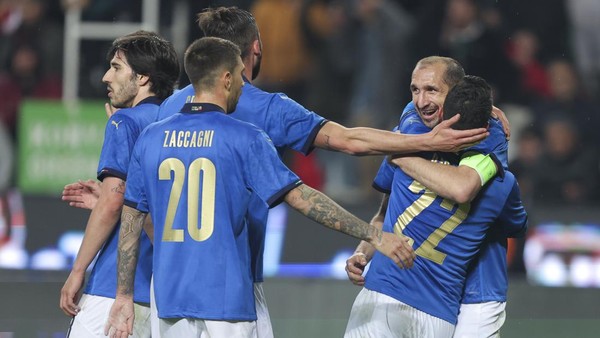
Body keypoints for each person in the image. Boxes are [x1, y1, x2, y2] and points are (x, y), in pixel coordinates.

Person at [64, 7, 492, 337]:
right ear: (249, 54)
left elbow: (135, 203)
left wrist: (121, 287)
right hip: (229, 286)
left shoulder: (160, 120)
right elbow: (343, 148)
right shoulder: (255, 119)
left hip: (166, 289)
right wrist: (426, 143)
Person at [104, 36, 415, 338]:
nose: (244, 83)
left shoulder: (151, 137)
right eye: (241, 75)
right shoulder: (245, 137)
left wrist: (123, 295)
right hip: (226, 298)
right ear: (226, 78)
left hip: (169, 297)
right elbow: (302, 198)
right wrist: (374, 234)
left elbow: (133, 219)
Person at [346, 56, 521, 337]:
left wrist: (398, 156)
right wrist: (363, 251)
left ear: (456, 94)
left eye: (432, 90)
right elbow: (382, 215)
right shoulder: (409, 127)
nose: (420, 100)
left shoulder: (488, 136)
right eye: (415, 90)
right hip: (391, 290)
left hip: (471, 292)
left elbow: (462, 188)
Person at [58, 30, 180, 337]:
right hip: (161, 295)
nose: (105, 77)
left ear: (142, 78)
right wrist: (106, 198)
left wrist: (77, 271)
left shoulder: (124, 121)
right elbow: (141, 199)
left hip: (112, 292)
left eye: (116, 67)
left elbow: (114, 203)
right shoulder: (178, 125)